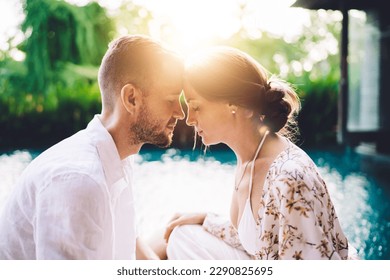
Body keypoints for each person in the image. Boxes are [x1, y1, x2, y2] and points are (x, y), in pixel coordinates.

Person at [0, 34, 185, 259]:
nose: (180, 112)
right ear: (131, 99)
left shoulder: (119, 157)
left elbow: (130, 245)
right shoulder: (79, 180)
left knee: (182, 230)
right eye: (170, 100)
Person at [163, 46, 356, 260]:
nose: (189, 119)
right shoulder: (250, 158)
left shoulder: (290, 180)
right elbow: (263, 237)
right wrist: (206, 219)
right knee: (183, 237)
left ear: (233, 105)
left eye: (196, 107)